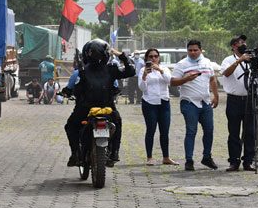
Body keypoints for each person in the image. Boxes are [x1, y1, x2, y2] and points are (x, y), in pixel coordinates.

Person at [64, 39, 135, 167]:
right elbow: (130, 71)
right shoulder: (111, 69)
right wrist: (122, 56)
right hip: (107, 109)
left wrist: (67, 92)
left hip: (84, 110)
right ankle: (114, 152)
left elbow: (72, 90)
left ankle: (75, 154)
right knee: (117, 123)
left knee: (70, 126)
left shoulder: (80, 71)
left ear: (86, 54)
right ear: (106, 54)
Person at [171, 39, 219, 171]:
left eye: (195, 50)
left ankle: (207, 157)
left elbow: (212, 79)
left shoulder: (207, 62)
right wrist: (186, 79)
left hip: (205, 102)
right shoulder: (182, 64)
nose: (192, 52)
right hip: (189, 102)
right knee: (191, 131)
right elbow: (173, 82)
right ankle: (189, 160)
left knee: (209, 130)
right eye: (190, 50)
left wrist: (216, 95)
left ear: (200, 50)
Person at [220, 35, 255, 171]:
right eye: (240, 42)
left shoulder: (251, 59)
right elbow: (226, 73)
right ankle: (234, 161)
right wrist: (239, 60)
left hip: (249, 99)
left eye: (244, 41)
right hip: (234, 100)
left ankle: (248, 161)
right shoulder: (228, 60)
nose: (243, 44)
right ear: (234, 46)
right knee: (234, 131)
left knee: (250, 132)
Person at [138, 48, 177, 166]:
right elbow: (142, 88)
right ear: (147, 58)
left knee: (164, 130)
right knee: (151, 129)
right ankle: (149, 157)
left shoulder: (164, 69)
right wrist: (145, 75)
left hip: (164, 102)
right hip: (149, 102)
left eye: (156, 56)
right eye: (151, 56)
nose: (153, 58)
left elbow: (170, 81)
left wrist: (160, 70)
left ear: (159, 58)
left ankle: (166, 157)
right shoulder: (143, 70)